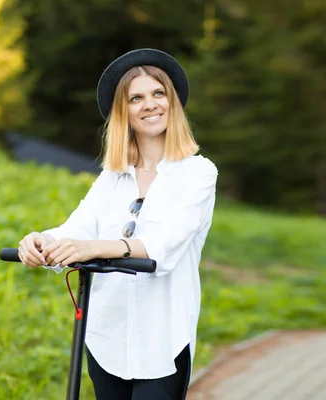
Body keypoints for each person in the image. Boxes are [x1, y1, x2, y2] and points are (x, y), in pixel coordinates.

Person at [16, 48, 218, 400]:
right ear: (123, 113)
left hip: (163, 341)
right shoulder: (113, 176)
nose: (150, 104)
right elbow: (77, 228)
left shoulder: (198, 173)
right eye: (136, 98)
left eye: (158, 94)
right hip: (106, 337)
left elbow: (165, 242)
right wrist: (40, 241)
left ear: (173, 102)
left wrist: (96, 248)